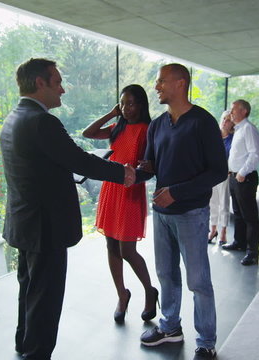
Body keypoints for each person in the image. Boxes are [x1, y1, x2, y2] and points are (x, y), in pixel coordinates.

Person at [0, 58, 135, 360]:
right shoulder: (42, 121)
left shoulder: (14, 117)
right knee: (46, 300)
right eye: (57, 82)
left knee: (30, 291)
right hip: (45, 227)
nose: (63, 89)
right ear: (40, 83)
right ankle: (37, 354)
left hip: (25, 224)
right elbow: (78, 159)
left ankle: (25, 345)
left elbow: (54, 160)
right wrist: (123, 173)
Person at [137, 63, 227, 360]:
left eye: (161, 81)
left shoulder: (203, 122)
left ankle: (206, 341)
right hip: (161, 215)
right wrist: (127, 172)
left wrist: (176, 192)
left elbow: (218, 171)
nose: (157, 86)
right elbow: (151, 166)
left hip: (191, 213)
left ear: (180, 83)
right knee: (166, 274)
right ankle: (170, 327)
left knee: (198, 281)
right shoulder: (157, 125)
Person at [82, 84, 158, 323]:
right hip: (111, 190)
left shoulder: (147, 129)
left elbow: (148, 165)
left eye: (131, 103)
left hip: (131, 190)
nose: (127, 108)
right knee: (112, 247)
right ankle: (122, 295)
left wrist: (140, 170)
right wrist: (112, 113)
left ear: (142, 105)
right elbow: (89, 133)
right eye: (123, 103)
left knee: (127, 250)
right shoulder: (117, 127)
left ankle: (149, 290)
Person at [221, 100, 259, 266]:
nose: (231, 112)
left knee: (250, 216)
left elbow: (255, 154)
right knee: (238, 213)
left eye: (234, 109)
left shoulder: (249, 129)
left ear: (244, 111)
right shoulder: (238, 129)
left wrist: (243, 173)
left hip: (244, 178)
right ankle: (239, 242)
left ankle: (252, 252)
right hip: (234, 177)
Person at [208, 110, 234, 245]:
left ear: (232, 124)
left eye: (229, 120)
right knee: (212, 203)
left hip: (225, 175)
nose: (225, 122)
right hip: (212, 174)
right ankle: (213, 230)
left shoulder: (233, 139)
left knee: (223, 203)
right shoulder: (213, 136)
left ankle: (223, 231)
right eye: (224, 119)